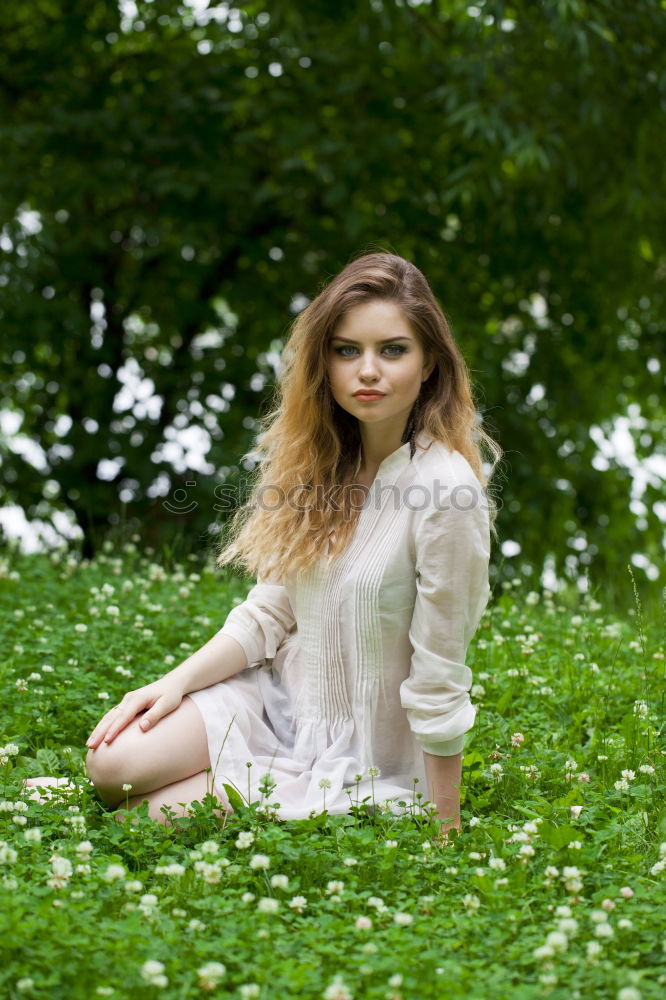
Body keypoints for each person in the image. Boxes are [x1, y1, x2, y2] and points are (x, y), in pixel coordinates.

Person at [25, 251, 501, 839]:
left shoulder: (447, 491)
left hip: (364, 754)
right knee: (111, 764)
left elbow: (439, 673)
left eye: (393, 349)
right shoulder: (321, 461)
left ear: (430, 363)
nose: (368, 370)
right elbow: (270, 610)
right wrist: (172, 684)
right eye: (347, 350)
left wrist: (445, 830)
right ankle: (137, 786)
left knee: (143, 817)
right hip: (277, 705)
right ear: (324, 363)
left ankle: (164, 800)